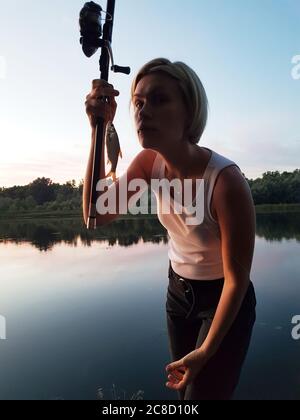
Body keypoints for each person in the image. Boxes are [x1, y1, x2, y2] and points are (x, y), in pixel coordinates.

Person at [83, 58, 257, 400]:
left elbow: (237, 281)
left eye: (160, 100)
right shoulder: (149, 164)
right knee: (184, 396)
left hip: (224, 299)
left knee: (203, 396)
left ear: (189, 112)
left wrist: (206, 351)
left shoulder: (225, 181)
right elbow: (93, 215)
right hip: (178, 295)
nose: (143, 111)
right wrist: (98, 128)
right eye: (138, 102)